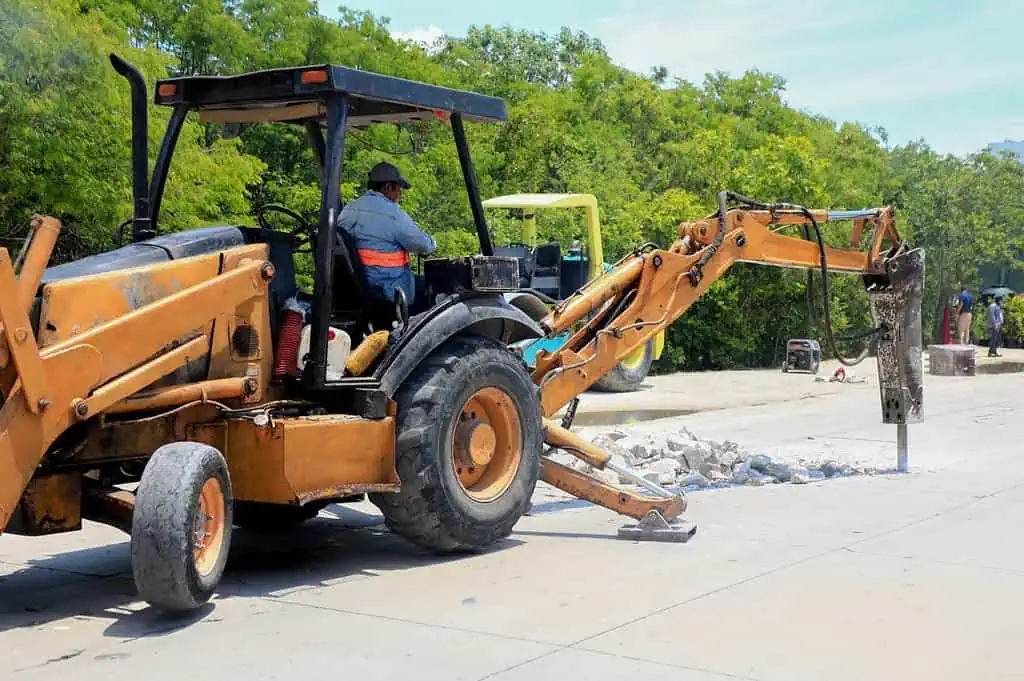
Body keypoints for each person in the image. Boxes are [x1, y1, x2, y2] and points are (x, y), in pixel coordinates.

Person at [338, 162, 436, 308]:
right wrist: (433, 242)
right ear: (388, 187)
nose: (399, 195)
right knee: (435, 287)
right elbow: (423, 245)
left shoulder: (348, 210)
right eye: (398, 189)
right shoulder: (393, 215)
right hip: (387, 291)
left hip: (353, 288)